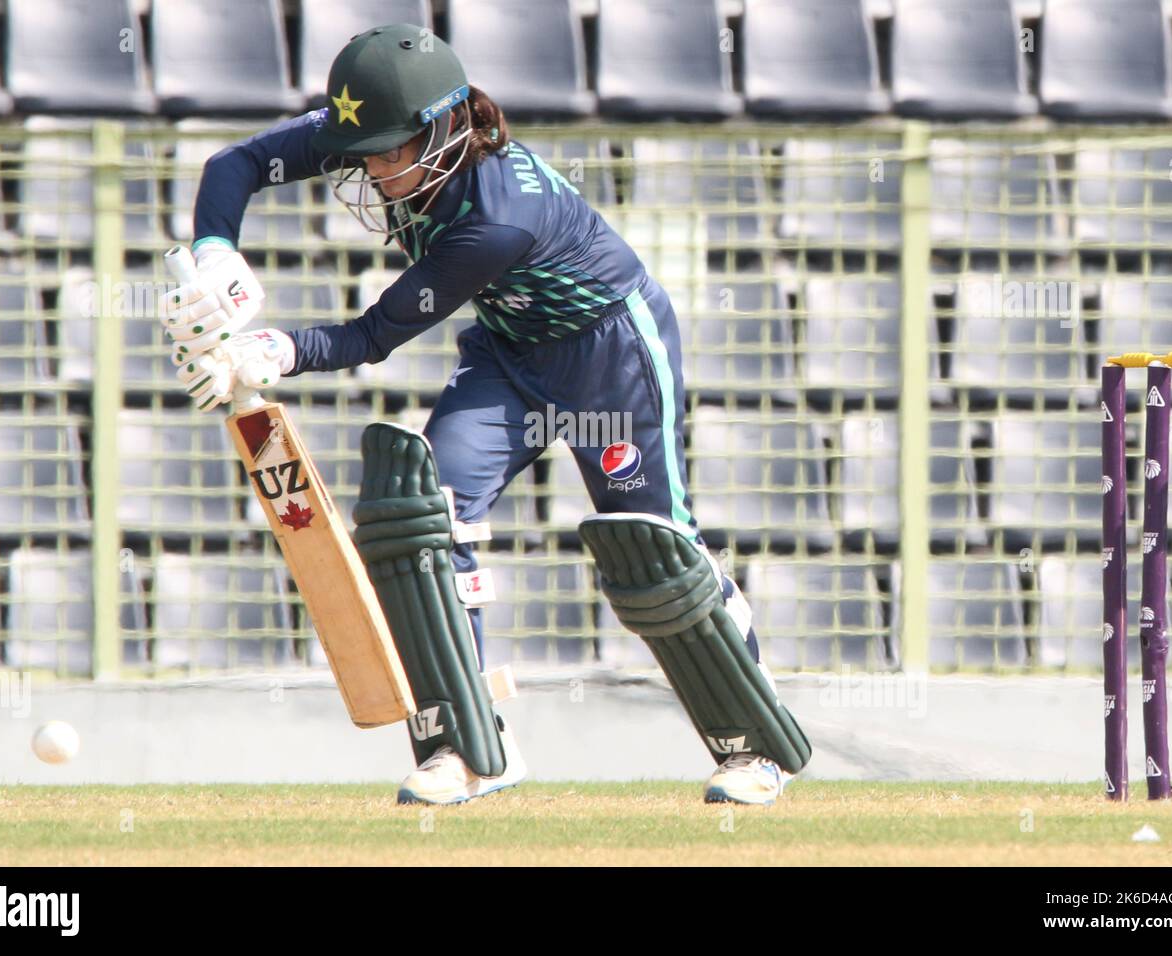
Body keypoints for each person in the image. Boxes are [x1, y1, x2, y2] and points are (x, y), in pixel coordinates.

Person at [160, 24, 811, 806]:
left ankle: (754, 746)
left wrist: (275, 351)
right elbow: (232, 164)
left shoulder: (496, 219)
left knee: (653, 553)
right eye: (358, 149)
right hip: (511, 352)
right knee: (424, 518)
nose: (368, 168)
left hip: (610, 354)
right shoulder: (383, 131)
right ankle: (470, 748)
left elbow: (373, 335)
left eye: (386, 152)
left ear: (440, 130)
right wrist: (215, 253)